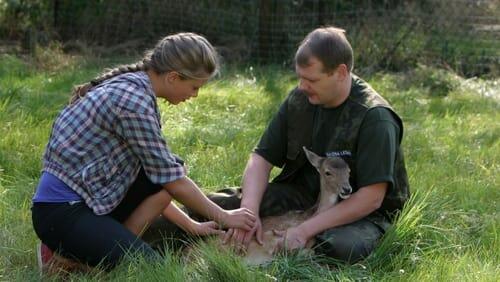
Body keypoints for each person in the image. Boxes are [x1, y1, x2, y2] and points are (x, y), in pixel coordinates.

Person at [150, 26, 410, 263]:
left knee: (336, 247)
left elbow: (371, 199)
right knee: (217, 208)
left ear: (341, 73)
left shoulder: (375, 117)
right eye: (300, 77)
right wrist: (248, 214)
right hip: (302, 194)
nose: (302, 86)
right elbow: (261, 159)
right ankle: (137, 243)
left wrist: (305, 230)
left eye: (312, 80)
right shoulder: (300, 100)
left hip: (362, 212)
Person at [31, 32, 256, 273]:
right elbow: (174, 180)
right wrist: (224, 216)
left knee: (165, 175)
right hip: (60, 212)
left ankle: (102, 253)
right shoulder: (133, 103)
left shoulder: (137, 88)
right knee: (148, 268)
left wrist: (191, 225)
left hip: (90, 197)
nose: (194, 95)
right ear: (173, 77)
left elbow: (162, 178)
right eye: (194, 87)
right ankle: (64, 256)